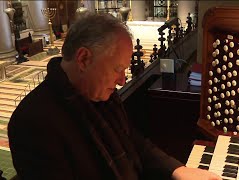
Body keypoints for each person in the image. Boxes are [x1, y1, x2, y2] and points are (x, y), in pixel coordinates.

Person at [8, 13, 221, 180]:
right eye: (117, 69)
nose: (121, 80)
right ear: (83, 59)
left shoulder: (99, 93)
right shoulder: (33, 122)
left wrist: (178, 170)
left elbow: (133, 141)